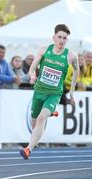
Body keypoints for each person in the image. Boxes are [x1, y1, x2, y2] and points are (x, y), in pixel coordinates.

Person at [20, 24, 79, 159]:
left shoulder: (71, 56)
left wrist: (72, 91)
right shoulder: (44, 50)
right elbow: (32, 67)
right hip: (39, 90)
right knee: (34, 122)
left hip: (54, 93)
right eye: (59, 37)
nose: (62, 40)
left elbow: (76, 70)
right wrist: (32, 75)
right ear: (54, 37)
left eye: (65, 38)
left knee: (41, 119)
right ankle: (51, 112)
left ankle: (28, 149)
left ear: (67, 40)